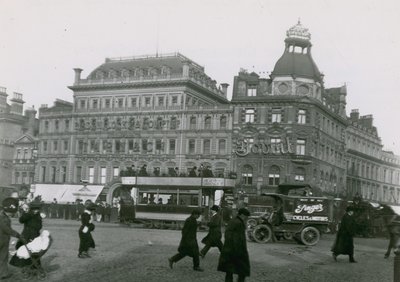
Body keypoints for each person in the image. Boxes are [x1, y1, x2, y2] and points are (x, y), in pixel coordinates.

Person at [218, 207, 251, 282]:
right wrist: (239, 251)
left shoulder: (233, 221)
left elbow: (228, 235)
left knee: (229, 271)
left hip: (228, 250)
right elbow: (237, 239)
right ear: (242, 215)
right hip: (236, 251)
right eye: (246, 217)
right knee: (243, 269)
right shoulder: (239, 223)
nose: (246, 219)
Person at [0, 197, 21, 280]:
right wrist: (16, 234)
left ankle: (3, 273)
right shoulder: (2, 218)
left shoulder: (4, 216)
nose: (12, 215)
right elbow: (6, 229)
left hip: (4, 241)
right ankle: (3, 273)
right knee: (3, 257)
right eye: (12, 213)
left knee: (4, 257)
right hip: (2, 240)